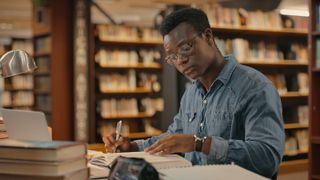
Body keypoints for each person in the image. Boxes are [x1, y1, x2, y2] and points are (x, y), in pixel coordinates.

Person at [103, 7, 284, 178]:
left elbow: (268, 158)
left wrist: (200, 143)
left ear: (208, 36)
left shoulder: (255, 87)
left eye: (185, 48)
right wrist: (133, 146)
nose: (180, 61)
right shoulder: (191, 94)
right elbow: (173, 138)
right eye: (172, 57)